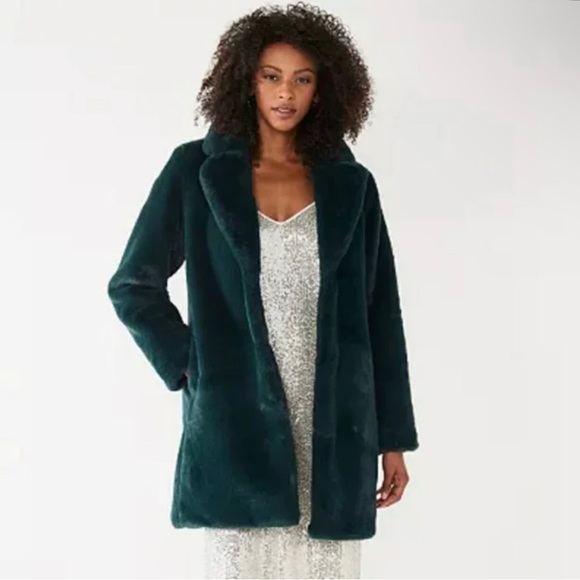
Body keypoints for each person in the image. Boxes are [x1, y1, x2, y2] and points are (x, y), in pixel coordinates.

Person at [107, 3, 419, 578]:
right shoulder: (194, 171)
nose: (285, 93)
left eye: (302, 79)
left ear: (323, 89)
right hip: (235, 424)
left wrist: (392, 438)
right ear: (246, 79)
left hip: (334, 425)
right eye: (271, 76)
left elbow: (381, 315)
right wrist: (191, 365)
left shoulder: (352, 186)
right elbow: (132, 285)